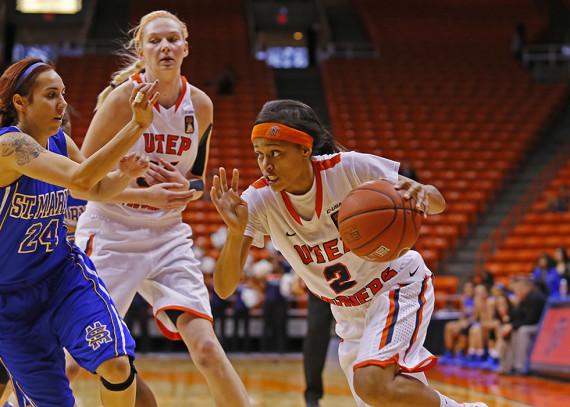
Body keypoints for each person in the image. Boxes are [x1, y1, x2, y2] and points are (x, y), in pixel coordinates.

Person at [210, 99, 488, 407]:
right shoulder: (258, 201)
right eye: (260, 155)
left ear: (305, 149)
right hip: (347, 314)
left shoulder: (349, 168)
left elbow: (437, 201)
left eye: (275, 153)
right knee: (386, 396)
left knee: (372, 383)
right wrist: (236, 234)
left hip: (394, 286)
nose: (266, 165)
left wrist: (422, 195)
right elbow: (224, 288)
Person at [73, 10, 250, 406]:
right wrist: (144, 195)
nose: (165, 47)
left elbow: (196, 178)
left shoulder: (201, 106)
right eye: (155, 41)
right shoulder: (121, 100)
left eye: (172, 40)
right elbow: (81, 181)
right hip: (110, 233)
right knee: (75, 359)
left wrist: (184, 189)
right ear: (142, 49)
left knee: (206, 348)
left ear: (186, 48)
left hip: (167, 236)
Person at [0, 57, 158, 406]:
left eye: (64, 94)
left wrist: (124, 176)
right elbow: (80, 177)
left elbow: (92, 190)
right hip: (10, 299)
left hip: (62, 277)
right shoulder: (9, 146)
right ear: (20, 102)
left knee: (117, 365)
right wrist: (135, 126)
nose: (63, 104)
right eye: (51, 95)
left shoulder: (60, 141)